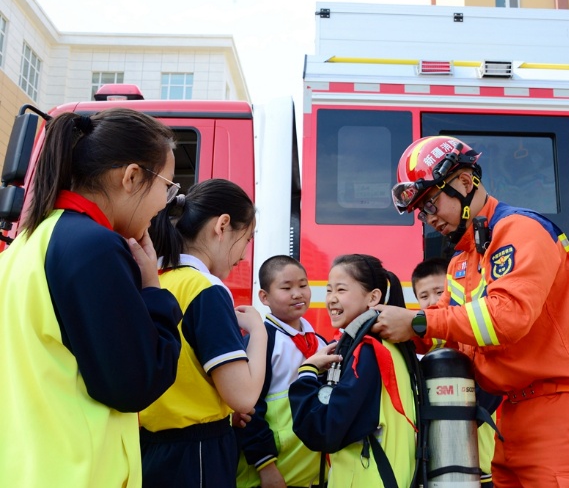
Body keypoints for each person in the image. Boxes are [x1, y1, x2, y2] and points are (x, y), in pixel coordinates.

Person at [374, 136, 569, 486]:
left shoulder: (520, 230)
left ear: (465, 182)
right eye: (421, 212)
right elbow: (446, 332)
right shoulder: (462, 259)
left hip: (565, 408)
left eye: (431, 203)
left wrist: (417, 322)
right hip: (514, 413)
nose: (429, 219)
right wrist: (382, 328)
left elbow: (507, 318)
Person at [0, 109, 183, 487]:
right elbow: (137, 384)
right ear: (132, 177)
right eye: (166, 187)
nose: (165, 204)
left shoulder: (25, 245)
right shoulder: (95, 247)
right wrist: (153, 290)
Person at [141, 178, 267, 488]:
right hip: (197, 453)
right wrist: (259, 331)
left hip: (147, 448)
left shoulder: (153, 278)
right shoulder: (205, 288)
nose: (243, 255)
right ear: (222, 225)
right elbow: (243, 397)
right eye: (247, 238)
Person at [289, 254, 417, 488]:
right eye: (328, 290)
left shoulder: (366, 352)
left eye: (341, 290)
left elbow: (323, 431)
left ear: (373, 297)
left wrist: (307, 371)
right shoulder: (390, 345)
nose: (331, 299)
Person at [236, 255, 328, 488]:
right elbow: (248, 408)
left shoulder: (320, 343)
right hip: (270, 474)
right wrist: (265, 466)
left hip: (310, 474)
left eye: (303, 285)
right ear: (264, 297)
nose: (297, 294)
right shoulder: (262, 342)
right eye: (286, 288)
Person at [412, 257, 498, 487]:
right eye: (423, 296)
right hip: (436, 470)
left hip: (481, 469)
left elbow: (489, 396)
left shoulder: (473, 348)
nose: (432, 301)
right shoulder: (419, 357)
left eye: (439, 293)